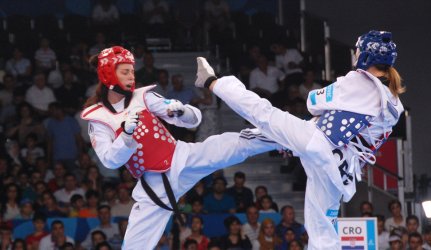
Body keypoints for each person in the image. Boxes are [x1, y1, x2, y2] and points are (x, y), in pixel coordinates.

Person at [195, 30, 405, 249]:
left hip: (317, 141)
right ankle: (278, 141)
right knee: (322, 231)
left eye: (358, 50)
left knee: (263, 114)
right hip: (339, 169)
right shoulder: (393, 103)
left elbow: (313, 102)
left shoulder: (359, 81)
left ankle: (211, 81)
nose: (356, 53)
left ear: (366, 56)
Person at [81, 46, 279, 249]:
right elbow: (109, 160)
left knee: (229, 147)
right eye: (125, 72)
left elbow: (194, 120)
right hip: (154, 186)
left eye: (132, 71)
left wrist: (181, 111)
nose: (132, 76)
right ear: (108, 74)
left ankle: (280, 136)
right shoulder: (98, 118)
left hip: (180, 157)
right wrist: (126, 135)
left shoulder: (143, 97)